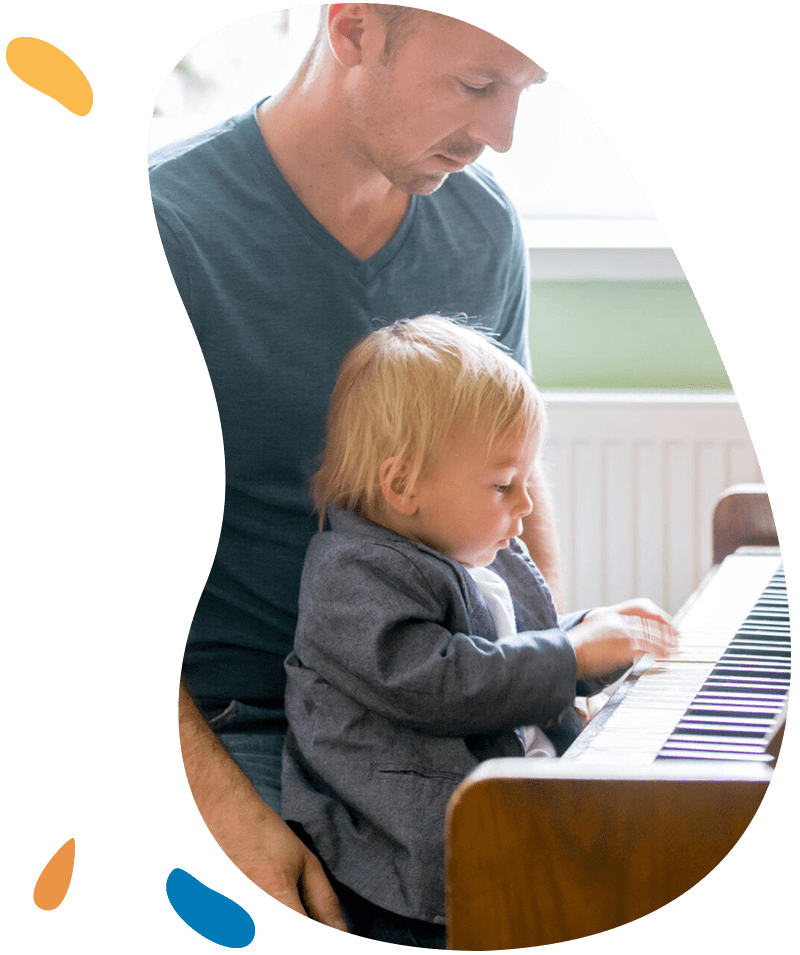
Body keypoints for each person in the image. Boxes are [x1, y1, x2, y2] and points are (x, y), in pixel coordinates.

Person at [149, 3, 557, 926]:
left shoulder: (482, 225)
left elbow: (513, 477)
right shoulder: (165, 230)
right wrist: (217, 811)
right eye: (477, 84)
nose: (503, 136)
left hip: (439, 687)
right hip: (235, 721)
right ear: (355, 29)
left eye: (525, 92)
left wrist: (546, 671)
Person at [281, 316, 678, 947]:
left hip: (520, 801)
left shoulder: (481, 550)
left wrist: (598, 636)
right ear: (403, 484)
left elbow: (510, 644)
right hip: (418, 863)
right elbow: (443, 679)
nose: (526, 504)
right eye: (503, 485)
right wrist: (570, 655)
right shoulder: (349, 577)